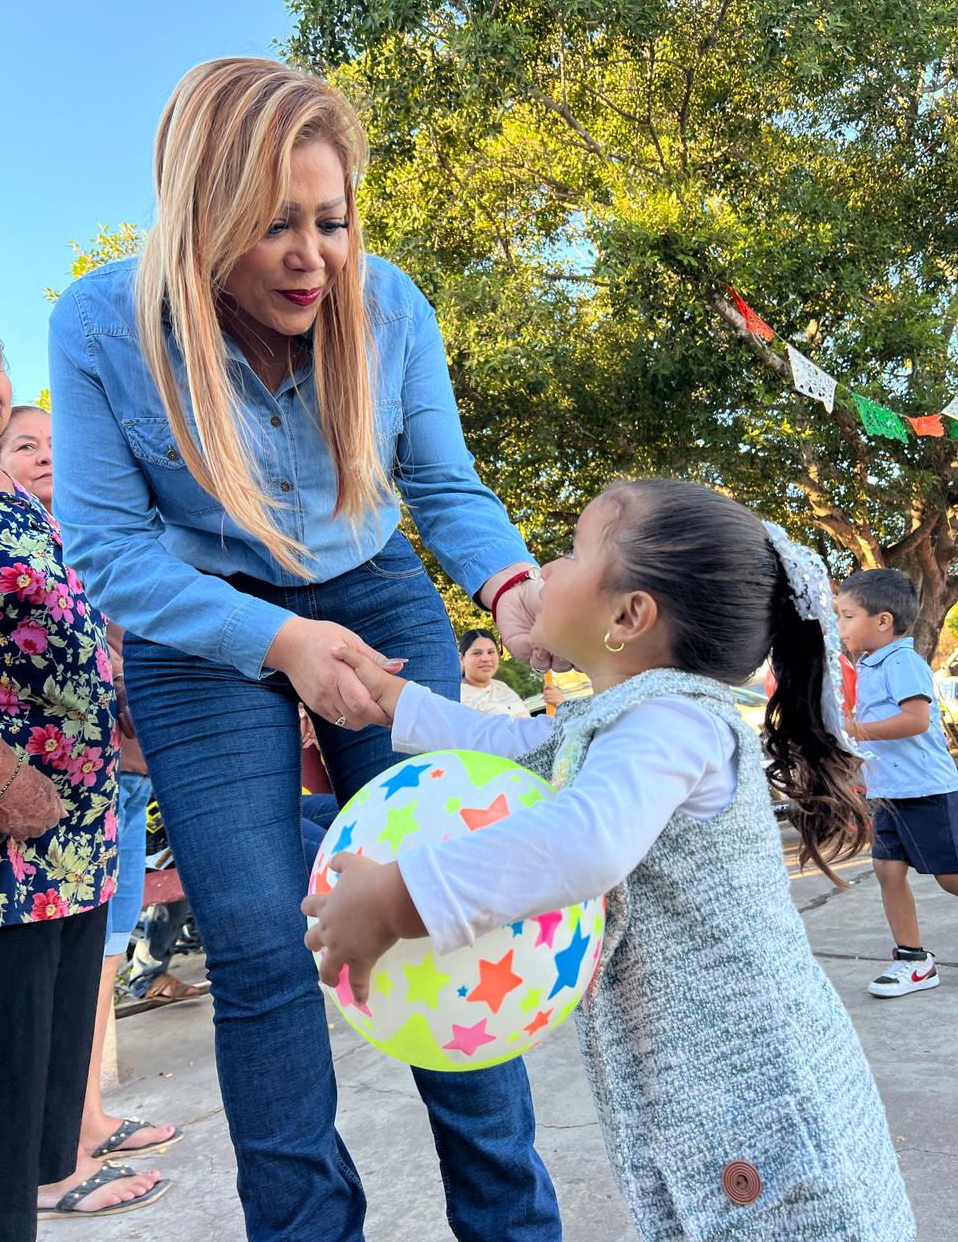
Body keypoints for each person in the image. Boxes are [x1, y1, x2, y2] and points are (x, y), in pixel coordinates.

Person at [49, 58, 565, 1242]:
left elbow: (441, 482)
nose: (312, 255)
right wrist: (275, 638)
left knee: (448, 914)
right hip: (197, 610)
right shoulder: (97, 325)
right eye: (272, 223)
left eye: (330, 221)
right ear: (200, 211)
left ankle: (512, 1224)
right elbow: (112, 555)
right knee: (258, 940)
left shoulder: (389, 306)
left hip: (375, 590)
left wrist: (512, 582)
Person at [306, 478, 916, 1242]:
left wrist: (402, 899)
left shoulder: (673, 723)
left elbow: (584, 841)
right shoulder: (621, 720)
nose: (546, 571)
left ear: (630, 616)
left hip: (758, 1093)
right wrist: (395, 700)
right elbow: (518, 749)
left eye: (570, 550)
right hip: (697, 1090)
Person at [0, 339, 167, 1238]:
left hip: (73, 832)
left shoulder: (31, 514)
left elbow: (81, 625)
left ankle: (57, 1166)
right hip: (12, 842)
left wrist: (124, 709)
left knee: (43, 1095)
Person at [837, 568, 958, 997]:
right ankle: (914, 961)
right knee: (888, 871)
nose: (840, 626)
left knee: (950, 877)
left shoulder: (902, 661)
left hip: (926, 790)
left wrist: (855, 730)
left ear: (882, 621)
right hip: (889, 793)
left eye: (847, 616)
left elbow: (916, 719)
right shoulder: (870, 664)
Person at [459, 627, 532, 716]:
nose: (486, 659)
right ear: (461, 659)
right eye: (477, 653)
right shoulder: (456, 696)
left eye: (490, 652)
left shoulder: (503, 688)